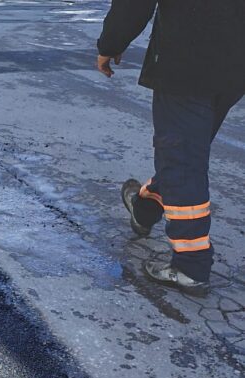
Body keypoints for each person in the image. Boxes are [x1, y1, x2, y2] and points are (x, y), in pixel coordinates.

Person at [96, 1, 245, 297]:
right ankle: (147, 207)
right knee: (185, 151)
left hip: (186, 60)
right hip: (235, 63)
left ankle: (191, 265)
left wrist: (111, 42)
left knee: (182, 159)